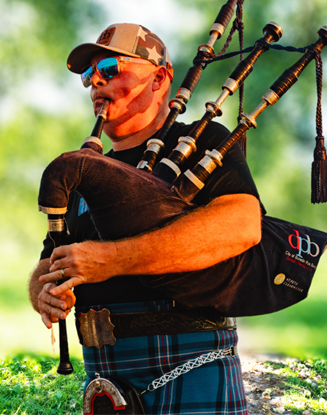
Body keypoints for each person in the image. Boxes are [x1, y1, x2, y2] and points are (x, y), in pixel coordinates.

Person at [29, 23, 262, 415]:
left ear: (159, 78)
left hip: (194, 365)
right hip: (105, 378)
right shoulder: (83, 172)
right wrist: (44, 292)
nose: (94, 83)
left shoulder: (203, 142)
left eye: (109, 67)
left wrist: (110, 260)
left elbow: (242, 224)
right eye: (88, 75)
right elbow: (48, 263)